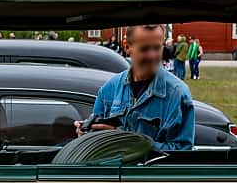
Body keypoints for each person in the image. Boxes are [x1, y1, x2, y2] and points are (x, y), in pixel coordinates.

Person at [77, 23, 194, 152]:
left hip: (149, 171)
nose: (152, 56)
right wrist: (86, 133)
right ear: (128, 47)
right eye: (144, 49)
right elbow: (96, 138)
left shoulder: (177, 94)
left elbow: (182, 151)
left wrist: (125, 141)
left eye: (157, 48)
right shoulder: (110, 89)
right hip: (114, 170)